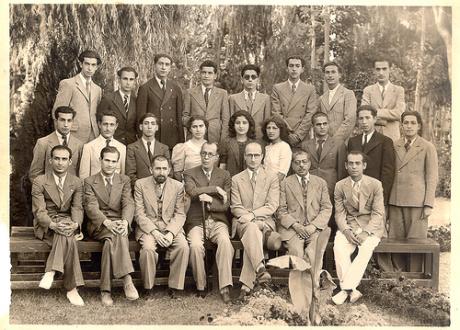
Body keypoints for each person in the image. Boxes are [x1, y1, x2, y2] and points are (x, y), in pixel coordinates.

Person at [277, 150, 332, 318]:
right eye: (297, 162)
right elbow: (280, 211)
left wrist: (313, 226)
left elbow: (326, 208)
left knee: (313, 255)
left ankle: (314, 294)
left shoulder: (320, 182)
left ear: (310, 164)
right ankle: (298, 296)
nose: (301, 165)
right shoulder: (285, 183)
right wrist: (296, 225)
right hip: (293, 229)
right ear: (292, 165)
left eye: (304, 162)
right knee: (297, 254)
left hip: (314, 229)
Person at [83, 146, 139, 306]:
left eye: (113, 161)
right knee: (116, 235)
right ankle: (127, 280)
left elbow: (128, 203)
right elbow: (91, 207)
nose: (110, 164)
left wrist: (125, 221)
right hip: (99, 225)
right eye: (107, 160)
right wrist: (107, 222)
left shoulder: (124, 180)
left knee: (110, 243)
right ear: (100, 161)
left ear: (117, 164)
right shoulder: (89, 181)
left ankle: (105, 291)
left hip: (119, 223)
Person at [31, 145, 85, 306]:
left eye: (64, 159)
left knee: (67, 231)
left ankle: (51, 271)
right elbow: (39, 211)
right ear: (50, 160)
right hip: (47, 224)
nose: (60, 163)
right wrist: (53, 225)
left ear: (70, 162)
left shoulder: (76, 182)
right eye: (56, 158)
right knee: (68, 238)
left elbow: (77, 207)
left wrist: (76, 224)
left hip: (67, 221)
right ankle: (71, 289)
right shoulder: (39, 181)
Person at [332, 151, 385, 305]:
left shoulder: (375, 184)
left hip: (371, 227)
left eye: (357, 163)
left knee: (366, 248)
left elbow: (378, 213)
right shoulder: (340, 186)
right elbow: (339, 214)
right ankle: (352, 290)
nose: (354, 167)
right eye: (351, 163)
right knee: (339, 247)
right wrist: (346, 231)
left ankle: (345, 289)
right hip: (349, 225)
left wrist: (366, 232)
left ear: (364, 165)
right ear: (346, 165)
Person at [388, 111, 438, 272]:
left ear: (419, 126)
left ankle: (415, 280)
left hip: (417, 201)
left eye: (412, 123)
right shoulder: (394, 144)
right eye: (405, 123)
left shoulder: (427, 146)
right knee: (395, 240)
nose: (409, 126)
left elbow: (432, 177)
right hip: (396, 200)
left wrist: (428, 204)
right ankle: (398, 277)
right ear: (401, 125)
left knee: (416, 241)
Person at [183, 142, 234, 303]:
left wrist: (210, 199)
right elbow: (191, 192)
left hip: (218, 220)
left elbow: (226, 204)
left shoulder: (225, 175)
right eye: (203, 153)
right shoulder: (189, 173)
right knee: (196, 246)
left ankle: (225, 286)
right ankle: (201, 285)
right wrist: (215, 190)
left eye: (210, 154)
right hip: (197, 220)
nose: (206, 157)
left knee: (226, 242)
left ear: (217, 157)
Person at [134, 155, 190, 297]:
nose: (161, 172)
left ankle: (175, 286)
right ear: (151, 169)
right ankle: (148, 287)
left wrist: (170, 233)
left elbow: (180, 214)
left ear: (169, 170)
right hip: (148, 228)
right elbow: (139, 214)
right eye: (158, 168)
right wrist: (155, 232)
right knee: (148, 248)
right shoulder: (140, 184)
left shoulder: (177, 186)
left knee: (183, 246)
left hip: (170, 226)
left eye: (164, 168)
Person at [230, 142, 281, 298]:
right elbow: (235, 207)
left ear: (262, 157)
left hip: (264, 223)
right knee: (253, 230)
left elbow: (272, 205)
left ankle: (246, 287)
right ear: (245, 157)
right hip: (242, 223)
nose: (253, 159)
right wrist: (251, 220)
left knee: (254, 236)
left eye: (256, 155)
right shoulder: (237, 179)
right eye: (250, 155)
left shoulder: (271, 177)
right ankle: (260, 269)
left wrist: (252, 216)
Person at [348, 105, 395, 206]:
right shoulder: (353, 141)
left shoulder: (385, 141)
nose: (364, 122)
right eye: (361, 118)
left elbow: (388, 172)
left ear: (374, 119)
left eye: (367, 118)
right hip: (356, 194)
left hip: (376, 193)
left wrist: (382, 195)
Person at [52, 50, 102, 143]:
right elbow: (57, 113)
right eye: (87, 64)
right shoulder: (68, 84)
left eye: (93, 65)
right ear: (80, 64)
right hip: (73, 134)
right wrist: (61, 138)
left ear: (97, 67)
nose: (90, 68)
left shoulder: (98, 89)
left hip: (93, 135)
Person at [136, 54, 184, 149]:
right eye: (160, 64)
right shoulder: (145, 88)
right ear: (154, 66)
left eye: (167, 65)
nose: (163, 67)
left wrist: (181, 141)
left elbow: (179, 117)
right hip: (153, 137)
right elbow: (140, 117)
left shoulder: (176, 88)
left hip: (172, 138)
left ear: (170, 68)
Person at [271, 55, 318, 147]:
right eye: (291, 66)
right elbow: (276, 113)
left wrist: (297, 136)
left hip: (302, 138)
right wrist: (287, 134)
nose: (294, 69)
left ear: (302, 69)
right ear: (287, 69)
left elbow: (310, 114)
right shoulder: (277, 88)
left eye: (297, 66)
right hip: (283, 136)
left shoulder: (310, 89)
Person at [29, 106, 83, 182]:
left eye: (69, 120)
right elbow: (35, 174)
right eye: (62, 120)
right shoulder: (43, 143)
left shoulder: (79, 145)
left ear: (73, 122)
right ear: (56, 121)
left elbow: (80, 174)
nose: (66, 124)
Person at [300, 112, 346, 199]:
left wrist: (339, 190)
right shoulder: (305, 145)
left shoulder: (338, 144)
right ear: (313, 127)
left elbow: (341, 171)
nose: (322, 127)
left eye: (325, 124)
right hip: (310, 187)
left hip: (331, 187)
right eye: (318, 124)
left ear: (328, 125)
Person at [183, 60, 230, 144]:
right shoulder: (190, 93)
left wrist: (223, 140)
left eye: (210, 73)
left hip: (215, 138)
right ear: (200, 74)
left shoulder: (222, 93)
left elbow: (226, 119)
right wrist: (195, 124)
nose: (206, 76)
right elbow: (185, 116)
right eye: (204, 72)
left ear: (215, 75)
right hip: (194, 138)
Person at [361, 59, 406, 142]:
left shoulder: (399, 90)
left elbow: (400, 114)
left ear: (390, 69)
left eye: (384, 69)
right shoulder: (368, 90)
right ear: (374, 71)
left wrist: (375, 112)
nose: (381, 73)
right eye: (378, 69)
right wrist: (386, 119)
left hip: (392, 138)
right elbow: (364, 114)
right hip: (372, 137)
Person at [125, 113, 170, 189]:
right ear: (141, 127)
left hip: (161, 190)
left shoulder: (164, 148)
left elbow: (169, 172)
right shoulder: (132, 148)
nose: (149, 127)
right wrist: (145, 188)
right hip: (140, 190)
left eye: (152, 124)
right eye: (146, 123)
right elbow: (130, 174)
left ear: (157, 127)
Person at [97, 66, 139, 145]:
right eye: (125, 79)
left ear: (135, 81)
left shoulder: (137, 100)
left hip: (131, 144)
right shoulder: (108, 99)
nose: (128, 82)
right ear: (119, 80)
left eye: (131, 79)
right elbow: (99, 121)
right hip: (112, 143)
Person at [228, 64, 271, 139]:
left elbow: (267, 123)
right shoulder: (233, 98)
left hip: (259, 139)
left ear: (258, 80)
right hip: (239, 139)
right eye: (247, 77)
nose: (250, 79)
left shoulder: (265, 98)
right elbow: (230, 123)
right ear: (242, 80)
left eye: (253, 77)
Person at [79, 111, 126, 179]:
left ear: (116, 126)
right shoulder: (89, 147)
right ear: (99, 124)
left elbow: (122, 175)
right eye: (105, 124)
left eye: (112, 125)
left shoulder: (122, 148)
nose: (108, 128)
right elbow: (83, 176)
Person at [318, 61, 357, 143]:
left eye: (333, 72)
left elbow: (350, 120)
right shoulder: (321, 98)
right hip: (325, 144)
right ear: (324, 76)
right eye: (327, 72)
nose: (330, 75)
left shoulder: (348, 94)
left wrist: (334, 141)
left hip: (343, 143)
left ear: (339, 75)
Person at [219, 110, 256, 177]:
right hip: (231, 180)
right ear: (233, 125)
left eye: (244, 123)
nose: (241, 126)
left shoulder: (254, 143)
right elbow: (222, 166)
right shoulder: (226, 142)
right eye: (238, 123)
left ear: (249, 125)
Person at [171, 116, 208, 182]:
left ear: (205, 128)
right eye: (194, 127)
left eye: (201, 126)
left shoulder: (211, 147)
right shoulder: (182, 147)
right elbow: (177, 173)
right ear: (190, 129)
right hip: (189, 185)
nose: (198, 130)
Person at [262, 116, 292, 181]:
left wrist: (267, 187)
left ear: (280, 130)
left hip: (277, 186)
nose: (270, 131)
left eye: (274, 128)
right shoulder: (267, 147)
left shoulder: (284, 147)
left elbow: (282, 174)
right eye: (268, 128)